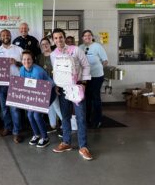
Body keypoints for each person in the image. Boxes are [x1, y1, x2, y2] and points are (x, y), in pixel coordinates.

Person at [50, 28, 93, 160]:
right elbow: (56, 71)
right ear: (53, 40)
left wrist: (84, 83)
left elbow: (86, 66)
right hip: (63, 89)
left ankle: (83, 146)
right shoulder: (53, 54)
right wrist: (57, 85)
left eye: (60, 37)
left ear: (64, 37)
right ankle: (66, 142)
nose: (58, 40)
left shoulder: (76, 50)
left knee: (80, 117)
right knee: (65, 116)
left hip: (77, 87)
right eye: (56, 38)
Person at [0, 29, 23, 143]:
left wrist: (16, 63)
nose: (6, 36)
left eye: (7, 35)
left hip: (16, 82)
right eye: (3, 35)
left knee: (14, 109)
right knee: (4, 109)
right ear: (0, 37)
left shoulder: (18, 49)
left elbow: (25, 64)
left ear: (10, 36)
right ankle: (8, 128)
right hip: (1, 84)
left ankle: (17, 132)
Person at [20, 50, 53, 148]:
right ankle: (36, 135)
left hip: (48, 92)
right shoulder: (22, 69)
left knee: (37, 115)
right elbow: (23, 84)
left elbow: (39, 90)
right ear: (21, 61)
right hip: (34, 93)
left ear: (32, 60)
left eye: (29, 59)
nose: (26, 61)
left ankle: (45, 138)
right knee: (30, 115)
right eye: (24, 59)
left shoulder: (37, 71)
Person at [79, 30, 108, 129]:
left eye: (89, 35)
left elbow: (105, 61)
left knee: (95, 97)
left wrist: (99, 68)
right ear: (82, 37)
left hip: (97, 76)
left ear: (92, 37)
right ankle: (87, 119)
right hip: (85, 77)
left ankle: (98, 120)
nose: (87, 37)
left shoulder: (98, 46)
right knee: (86, 98)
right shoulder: (80, 47)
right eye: (85, 35)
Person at [36, 37, 63, 136]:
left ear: (50, 43)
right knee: (49, 106)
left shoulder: (56, 55)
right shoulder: (39, 57)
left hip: (55, 84)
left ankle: (65, 125)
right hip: (44, 85)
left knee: (56, 106)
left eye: (46, 43)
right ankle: (53, 125)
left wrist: (57, 85)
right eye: (42, 44)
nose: (44, 46)